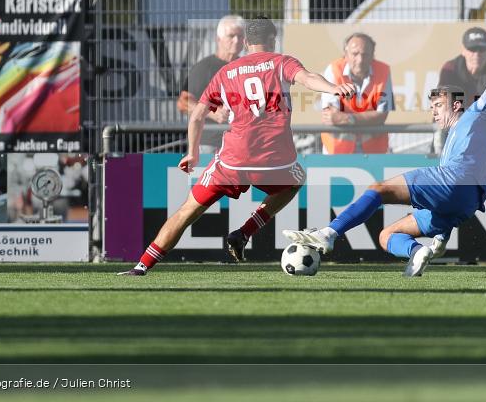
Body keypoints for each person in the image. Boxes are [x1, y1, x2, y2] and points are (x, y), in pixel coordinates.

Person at [283, 6, 486, 277]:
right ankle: (419, 251)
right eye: (432, 106)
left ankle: (329, 233)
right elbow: (453, 194)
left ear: (458, 104)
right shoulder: (457, 136)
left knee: (379, 189)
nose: (434, 111)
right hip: (467, 203)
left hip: (453, 182)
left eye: (439, 105)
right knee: (386, 235)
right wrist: (441, 233)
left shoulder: (476, 112)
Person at [119, 17, 357, 275]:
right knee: (297, 179)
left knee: (187, 210)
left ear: (246, 42)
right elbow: (308, 78)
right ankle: (244, 232)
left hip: (232, 160)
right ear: (272, 40)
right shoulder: (282, 62)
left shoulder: (225, 72)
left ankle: (142, 266)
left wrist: (192, 152)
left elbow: (197, 115)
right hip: (275, 161)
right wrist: (333, 88)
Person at [176, 15, 245, 154]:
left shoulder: (247, 68)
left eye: (240, 36)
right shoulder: (204, 68)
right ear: (218, 39)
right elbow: (183, 103)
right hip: (211, 144)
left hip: (241, 145)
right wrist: (212, 111)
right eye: (231, 36)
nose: (236, 40)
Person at [320, 33, 395, 154]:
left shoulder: (384, 70)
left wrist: (348, 118)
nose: (360, 60)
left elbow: (382, 115)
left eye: (365, 54)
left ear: (372, 55)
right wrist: (368, 117)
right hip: (337, 152)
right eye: (355, 54)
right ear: (346, 54)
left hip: (373, 152)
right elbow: (331, 116)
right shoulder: (333, 70)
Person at [434, 27, 486, 153]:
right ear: (463, 50)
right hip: (453, 125)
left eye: (481, 49)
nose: (476, 54)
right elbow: (445, 108)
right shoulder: (450, 69)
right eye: (472, 49)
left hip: (484, 124)